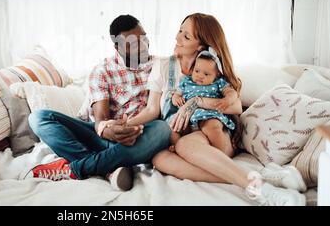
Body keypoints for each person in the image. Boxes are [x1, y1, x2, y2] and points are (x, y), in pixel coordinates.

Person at [126, 12, 307, 206]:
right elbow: (152, 110)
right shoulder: (163, 66)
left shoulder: (212, 68)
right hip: (185, 133)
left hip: (213, 132)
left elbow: (236, 106)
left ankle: (263, 190)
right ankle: (265, 179)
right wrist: (125, 124)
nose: (177, 37)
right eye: (180, 31)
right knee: (160, 159)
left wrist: (196, 101)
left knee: (185, 145)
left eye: (186, 36)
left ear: (201, 46)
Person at [27, 14, 172, 191]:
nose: (143, 46)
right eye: (133, 44)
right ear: (117, 47)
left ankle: (77, 168)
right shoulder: (103, 70)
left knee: (163, 129)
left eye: (144, 38)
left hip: (141, 136)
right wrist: (109, 130)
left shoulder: (160, 66)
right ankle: (109, 169)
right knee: (38, 117)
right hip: (105, 137)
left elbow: (156, 109)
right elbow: (101, 119)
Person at [168, 47, 239, 153]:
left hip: (208, 114)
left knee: (212, 127)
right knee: (173, 128)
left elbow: (232, 93)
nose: (200, 76)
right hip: (187, 116)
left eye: (206, 74)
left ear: (217, 75)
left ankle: (220, 153)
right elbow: (176, 94)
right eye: (197, 71)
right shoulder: (186, 81)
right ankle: (177, 146)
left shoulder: (218, 83)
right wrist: (176, 98)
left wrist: (227, 100)